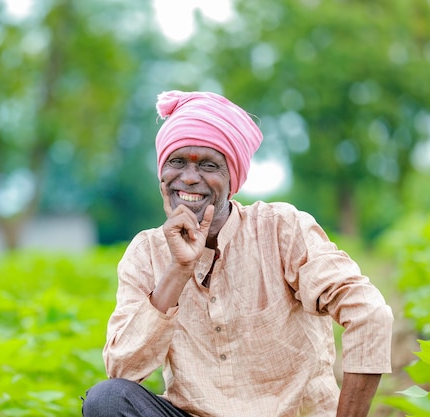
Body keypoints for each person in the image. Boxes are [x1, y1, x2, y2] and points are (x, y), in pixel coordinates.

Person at [81, 90, 393, 417]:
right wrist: (179, 269)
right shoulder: (145, 253)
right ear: (162, 176)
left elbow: (369, 315)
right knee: (107, 400)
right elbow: (122, 368)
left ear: (232, 181)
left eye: (208, 165)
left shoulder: (282, 229)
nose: (188, 177)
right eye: (177, 162)